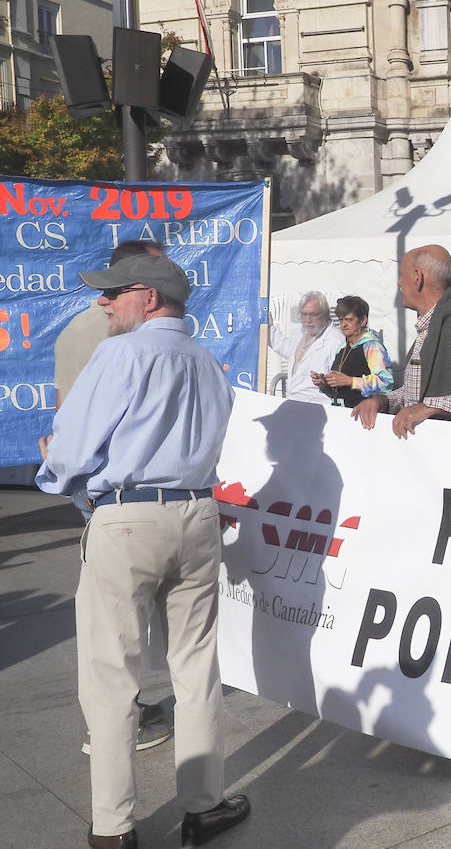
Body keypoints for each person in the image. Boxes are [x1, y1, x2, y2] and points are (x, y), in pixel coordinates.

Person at [34, 253, 251, 848]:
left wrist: (56, 463)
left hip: (129, 517)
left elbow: (73, 452)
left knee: (110, 676)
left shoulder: (121, 353)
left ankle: (113, 829)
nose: (103, 303)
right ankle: (203, 806)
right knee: (196, 667)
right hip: (197, 512)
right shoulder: (209, 363)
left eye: (114, 293)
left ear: (149, 298)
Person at [53, 240, 173, 755]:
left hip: (99, 485)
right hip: (128, 485)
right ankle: (116, 722)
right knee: (126, 616)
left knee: (110, 614)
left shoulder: (74, 331)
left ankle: (113, 716)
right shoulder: (124, 338)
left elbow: (64, 415)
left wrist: (65, 472)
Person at [352, 245, 451, 437]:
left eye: (402, 275)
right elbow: (414, 394)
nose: (399, 283)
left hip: (449, 455)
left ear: (418, 277)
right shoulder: (434, 326)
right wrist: (383, 401)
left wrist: (429, 406)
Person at [313, 295, 395, 408]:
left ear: (362, 321)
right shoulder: (342, 347)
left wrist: (350, 381)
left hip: (363, 417)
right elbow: (338, 389)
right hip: (341, 414)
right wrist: (324, 383)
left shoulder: (372, 346)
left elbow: (386, 383)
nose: (343, 324)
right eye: (341, 320)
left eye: (349, 320)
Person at [269, 290, 344, 404]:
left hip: (318, 404)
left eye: (314, 315)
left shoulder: (335, 341)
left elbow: (340, 380)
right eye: (304, 314)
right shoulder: (304, 333)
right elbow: (288, 349)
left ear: (325, 314)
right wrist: (269, 329)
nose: (308, 320)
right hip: (295, 402)